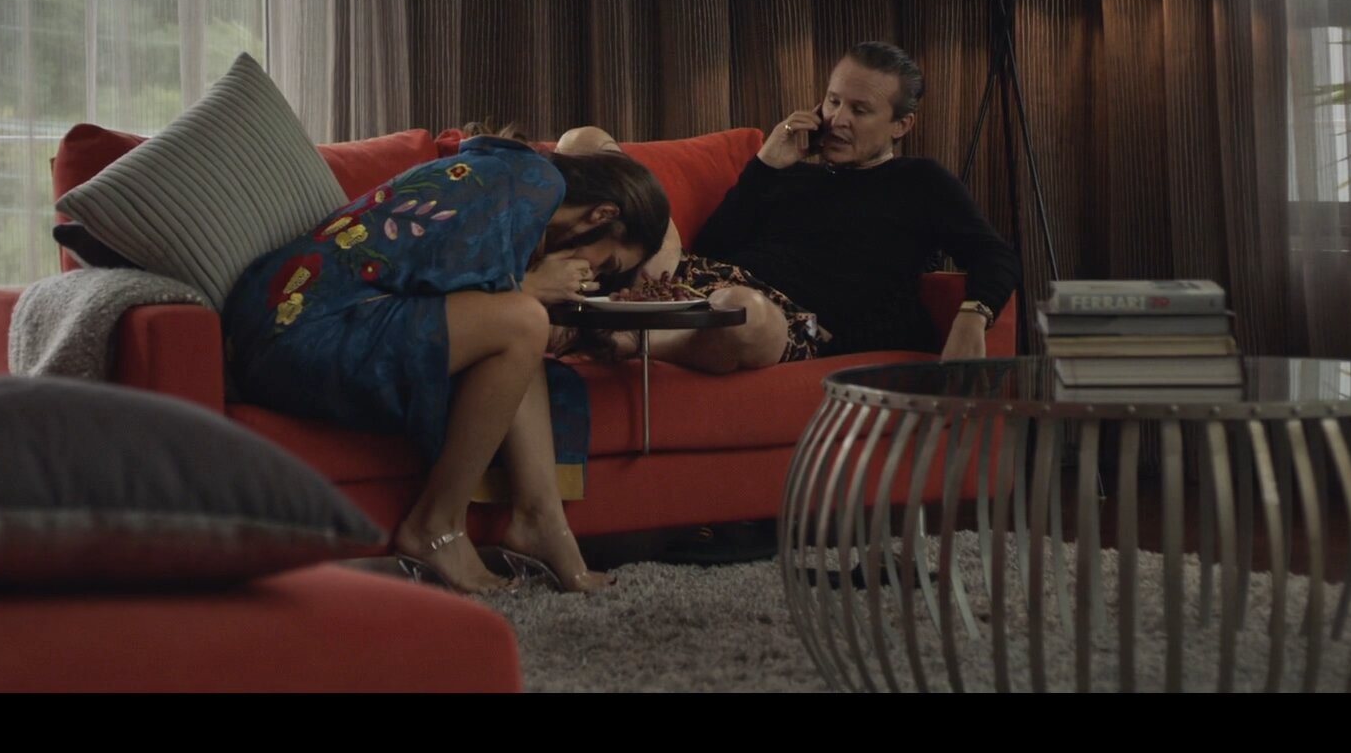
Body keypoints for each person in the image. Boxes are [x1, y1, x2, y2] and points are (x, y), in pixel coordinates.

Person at [221, 134, 670, 595]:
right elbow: (448, 282)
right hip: (299, 330)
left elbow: (451, 285)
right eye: (607, 262)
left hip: (285, 324)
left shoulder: (519, 178)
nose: (595, 273)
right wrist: (531, 286)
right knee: (522, 321)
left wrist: (527, 290)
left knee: (521, 333)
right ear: (602, 215)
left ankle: (542, 521)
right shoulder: (534, 182)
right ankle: (436, 526)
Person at [558, 40, 1019, 373]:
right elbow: (713, 248)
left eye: (859, 111)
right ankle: (560, 292)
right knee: (585, 141)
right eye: (833, 101)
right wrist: (765, 165)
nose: (837, 119)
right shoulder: (789, 173)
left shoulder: (920, 182)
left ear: (901, 125)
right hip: (686, 283)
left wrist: (971, 316)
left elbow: (995, 255)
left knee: (740, 310)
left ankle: (618, 341)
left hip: (783, 322)